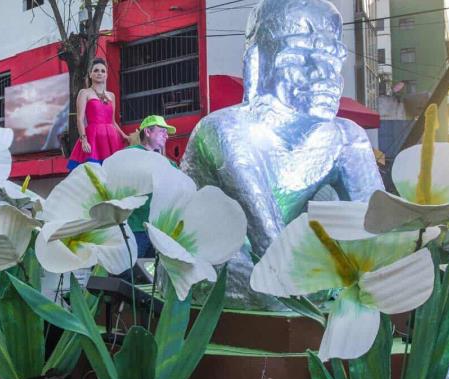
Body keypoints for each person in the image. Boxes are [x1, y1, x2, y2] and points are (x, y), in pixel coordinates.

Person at [180, 0, 384, 309]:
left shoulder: (346, 137)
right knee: (268, 293)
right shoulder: (227, 130)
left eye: (332, 58)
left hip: (298, 260)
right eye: (300, 56)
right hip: (225, 255)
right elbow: (269, 246)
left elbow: (381, 233)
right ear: (257, 64)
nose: (322, 73)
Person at [124, 115, 176, 258]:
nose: (166, 136)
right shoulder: (129, 155)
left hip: (158, 231)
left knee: (151, 276)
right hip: (136, 228)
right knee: (131, 273)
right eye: (162, 131)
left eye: (167, 133)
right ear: (147, 132)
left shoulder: (168, 163)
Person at [67, 58, 129, 170]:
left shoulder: (111, 96)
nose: (99, 73)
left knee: (113, 171)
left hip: (111, 138)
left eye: (103, 71)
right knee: (93, 171)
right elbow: (80, 119)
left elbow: (112, 121)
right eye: (96, 70)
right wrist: (84, 139)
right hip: (93, 138)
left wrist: (124, 136)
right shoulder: (84, 93)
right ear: (90, 74)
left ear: (106, 75)